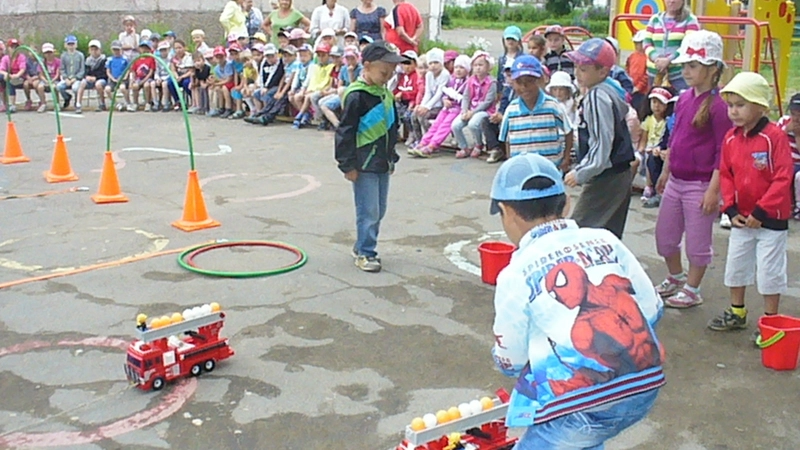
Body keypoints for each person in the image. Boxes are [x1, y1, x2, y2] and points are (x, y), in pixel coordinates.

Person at [489, 152, 664, 450]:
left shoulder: (516, 271)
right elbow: (651, 308)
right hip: (644, 387)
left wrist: (505, 360)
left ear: (507, 212)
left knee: (567, 428)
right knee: (583, 437)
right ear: (566, 202)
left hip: (581, 406)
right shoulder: (605, 239)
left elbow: (512, 358)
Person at [710, 71, 792, 340]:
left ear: (759, 105)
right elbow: (726, 173)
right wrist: (730, 209)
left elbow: (783, 176)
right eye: (731, 105)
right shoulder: (731, 138)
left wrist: (761, 210)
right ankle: (737, 311)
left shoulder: (774, 137)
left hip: (771, 219)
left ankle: (770, 320)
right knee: (736, 266)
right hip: (742, 218)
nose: (733, 112)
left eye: (740, 105)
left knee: (769, 272)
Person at [653, 30, 732, 308]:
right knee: (665, 236)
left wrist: (714, 189)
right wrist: (665, 170)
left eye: (693, 65)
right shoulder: (685, 98)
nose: (686, 70)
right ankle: (676, 276)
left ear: (712, 69)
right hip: (676, 179)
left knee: (698, 242)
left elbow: (724, 149)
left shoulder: (720, 105)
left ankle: (693, 288)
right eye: (684, 65)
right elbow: (675, 138)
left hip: (700, 184)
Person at [335, 41, 406, 273]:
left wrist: (391, 157)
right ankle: (366, 252)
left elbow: (391, 128)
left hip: (382, 162)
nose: (387, 77)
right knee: (369, 210)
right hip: (363, 163)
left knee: (380, 209)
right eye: (383, 72)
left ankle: (361, 245)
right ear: (366, 66)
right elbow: (345, 132)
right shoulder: (357, 96)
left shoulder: (385, 94)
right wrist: (347, 164)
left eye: (391, 73)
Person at [563, 38, 636, 239]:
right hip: (619, 173)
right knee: (608, 234)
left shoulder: (597, 97)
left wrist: (581, 173)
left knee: (580, 232)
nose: (577, 72)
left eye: (584, 68)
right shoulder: (610, 91)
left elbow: (602, 145)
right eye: (576, 66)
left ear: (602, 71)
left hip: (606, 175)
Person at [499, 55, 571, 170]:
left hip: (550, 167)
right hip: (522, 169)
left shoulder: (552, 106)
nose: (524, 86)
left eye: (529, 81)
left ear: (540, 80)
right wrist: (511, 162)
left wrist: (566, 158)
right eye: (519, 82)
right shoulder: (511, 110)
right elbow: (507, 139)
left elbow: (568, 131)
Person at [411, 54, 469, 158]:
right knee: (436, 124)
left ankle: (433, 145)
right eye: (456, 67)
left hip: (457, 109)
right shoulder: (452, 80)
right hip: (447, 107)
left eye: (462, 67)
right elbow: (444, 92)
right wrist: (445, 99)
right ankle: (423, 142)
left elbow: (466, 98)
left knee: (444, 126)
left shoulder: (468, 82)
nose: (458, 70)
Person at [643, 0, 700, 91]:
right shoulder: (655, 19)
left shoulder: (690, 20)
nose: (672, 1)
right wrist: (656, 58)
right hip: (655, 75)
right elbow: (646, 42)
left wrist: (669, 60)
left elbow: (689, 45)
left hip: (680, 76)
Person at [452, 51, 496, 159]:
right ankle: (464, 147)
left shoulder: (491, 82)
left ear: (488, 67)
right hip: (470, 109)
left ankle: (478, 144)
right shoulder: (470, 80)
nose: (478, 68)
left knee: (473, 124)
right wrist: (464, 110)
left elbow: (488, 101)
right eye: (475, 65)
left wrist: (473, 112)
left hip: (484, 110)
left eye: (481, 65)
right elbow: (466, 97)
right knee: (455, 125)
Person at [638, 86, 675, 208]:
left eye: (661, 103)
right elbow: (648, 137)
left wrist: (665, 151)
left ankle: (662, 190)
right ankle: (652, 186)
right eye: (654, 102)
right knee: (651, 159)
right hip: (654, 148)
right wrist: (656, 148)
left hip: (669, 152)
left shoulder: (667, 120)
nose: (656, 106)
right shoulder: (649, 120)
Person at [410, 48, 449, 152]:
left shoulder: (445, 75)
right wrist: (422, 105)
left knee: (424, 117)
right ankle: (419, 140)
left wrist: (427, 107)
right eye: (430, 63)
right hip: (430, 104)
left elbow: (439, 94)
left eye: (436, 62)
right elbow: (428, 92)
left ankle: (430, 142)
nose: (433, 66)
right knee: (414, 115)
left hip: (440, 105)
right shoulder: (429, 75)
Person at [293, 42, 335, 128]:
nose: (321, 58)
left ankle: (303, 116)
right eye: (319, 55)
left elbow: (327, 82)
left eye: (323, 55)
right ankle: (305, 116)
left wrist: (315, 90)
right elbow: (313, 80)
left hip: (323, 90)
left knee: (310, 96)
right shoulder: (316, 67)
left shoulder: (331, 67)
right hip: (314, 89)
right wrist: (309, 89)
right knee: (297, 97)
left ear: (328, 56)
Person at [484, 59, 515, 164]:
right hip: (504, 116)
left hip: (514, 117)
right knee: (486, 121)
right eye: (507, 75)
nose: (509, 78)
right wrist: (499, 114)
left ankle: (508, 150)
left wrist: (504, 116)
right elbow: (503, 104)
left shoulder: (520, 90)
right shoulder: (507, 89)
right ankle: (496, 149)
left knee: (505, 124)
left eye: (511, 75)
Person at [776, 93, 800, 220]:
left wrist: (797, 136)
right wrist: (785, 130)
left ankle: (798, 207)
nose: (796, 118)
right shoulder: (783, 121)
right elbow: (773, 140)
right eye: (794, 113)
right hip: (783, 161)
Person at [74, 40, 107, 113]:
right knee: (82, 83)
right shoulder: (88, 60)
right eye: (92, 49)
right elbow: (85, 71)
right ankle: (78, 104)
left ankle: (102, 103)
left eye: (96, 49)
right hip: (90, 79)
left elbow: (104, 73)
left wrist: (96, 78)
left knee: (98, 84)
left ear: (100, 50)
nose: (94, 51)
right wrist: (87, 77)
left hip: (101, 79)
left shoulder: (104, 59)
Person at [392, 50, 417, 141]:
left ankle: (412, 133)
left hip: (411, 102)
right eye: (404, 64)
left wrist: (403, 94)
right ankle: (395, 132)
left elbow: (415, 92)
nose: (406, 67)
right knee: (393, 111)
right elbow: (398, 89)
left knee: (407, 116)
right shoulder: (402, 77)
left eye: (409, 63)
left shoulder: (416, 76)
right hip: (401, 102)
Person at [57, 34, 85, 110]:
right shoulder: (63, 56)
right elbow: (62, 69)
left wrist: (75, 78)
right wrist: (66, 78)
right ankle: (67, 97)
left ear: (76, 44)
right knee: (59, 86)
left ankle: (77, 103)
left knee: (75, 88)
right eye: (69, 44)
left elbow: (82, 70)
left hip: (76, 79)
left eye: (72, 44)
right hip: (67, 78)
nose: (71, 46)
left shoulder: (80, 55)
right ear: (65, 45)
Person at [0, 39, 27, 113]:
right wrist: (6, 74)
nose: (14, 49)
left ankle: (12, 105)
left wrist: (17, 75)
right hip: (9, 77)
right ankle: (4, 103)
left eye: (16, 47)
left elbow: (22, 69)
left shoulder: (21, 57)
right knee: (4, 78)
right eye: (12, 47)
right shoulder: (5, 58)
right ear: (8, 48)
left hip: (20, 78)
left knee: (10, 81)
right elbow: (1, 69)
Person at [127, 41, 155, 112]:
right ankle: (135, 103)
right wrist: (133, 79)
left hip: (147, 78)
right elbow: (133, 71)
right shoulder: (137, 59)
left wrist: (144, 80)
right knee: (135, 86)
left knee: (146, 85)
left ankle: (147, 103)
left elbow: (151, 72)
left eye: (146, 48)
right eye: (142, 48)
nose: (144, 50)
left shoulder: (151, 59)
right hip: (139, 78)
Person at [168, 40, 194, 110]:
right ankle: (178, 101)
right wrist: (176, 76)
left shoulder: (189, 57)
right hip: (178, 75)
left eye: (180, 48)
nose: (178, 50)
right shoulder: (174, 58)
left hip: (187, 76)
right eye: (176, 48)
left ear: (184, 48)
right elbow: (173, 69)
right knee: (170, 82)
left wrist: (182, 77)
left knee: (186, 83)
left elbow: (191, 71)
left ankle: (193, 100)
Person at [627, 30, 649, 112]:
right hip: (631, 89)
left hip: (642, 92)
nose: (636, 45)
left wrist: (639, 87)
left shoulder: (648, 57)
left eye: (639, 43)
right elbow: (627, 69)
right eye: (635, 43)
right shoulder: (632, 56)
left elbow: (647, 75)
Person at [105, 41, 130, 111]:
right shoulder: (110, 59)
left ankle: (128, 103)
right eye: (114, 50)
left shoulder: (125, 59)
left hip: (122, 78)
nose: (116, 52)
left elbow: (128, 69)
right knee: (107, 89)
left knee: (122, 88)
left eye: (118, 50)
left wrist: (124, 77)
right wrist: (112, 79)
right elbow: (108, 71)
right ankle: (116, 103)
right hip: (113, 79)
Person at [36, 43, 61, 113]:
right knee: (40, 87)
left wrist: (52, 80)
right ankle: (43, 103)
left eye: (50, 52)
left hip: (54, 79)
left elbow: (57, 73)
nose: (48, 54)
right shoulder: (42, 62)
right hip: (45, 80)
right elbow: (41, 74)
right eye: (46, 53)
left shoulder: (58, 61)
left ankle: (57, 104)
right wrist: (46, 81)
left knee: (54, 87)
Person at [150, 41, 173, 112]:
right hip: (160, 77)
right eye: (161, 50)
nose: (163, 52)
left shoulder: (171, 59)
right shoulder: (158, 59)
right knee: (152, 84)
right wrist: (157, 78)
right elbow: (157, 71)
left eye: (165, 50)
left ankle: (166, 103)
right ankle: (156, 103)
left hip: (168, 77)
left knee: (164, 84)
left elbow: (171, 71)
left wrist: (163, 79)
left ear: (168, 50)